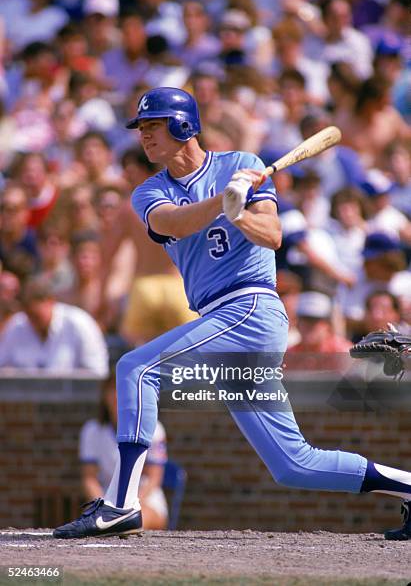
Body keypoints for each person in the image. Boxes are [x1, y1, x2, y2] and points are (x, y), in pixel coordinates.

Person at [53, 87, 411, 541]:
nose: (144, 137)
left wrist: (239, 212)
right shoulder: (150, 190)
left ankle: (121, 504)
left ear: (184, 126)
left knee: (135, 368)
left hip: (249, 307)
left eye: (153, 126)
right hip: (221, 320)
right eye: (141, 128)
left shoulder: (239, 162)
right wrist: (223, 200)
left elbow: (274, 235)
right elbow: (171, 224)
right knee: (293, 464)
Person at [80, 373, 168, 530]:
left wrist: (129, 508)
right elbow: (89, 477)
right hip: (107, 502)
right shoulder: (92, 431)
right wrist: (103, 507)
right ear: (104, 395)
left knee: (136, 521)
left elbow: (154, 478)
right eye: (113, 389)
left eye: (124, 390)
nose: (117, 396)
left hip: (145, 502)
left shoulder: (155, 429)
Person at [0, 276, 108, 376]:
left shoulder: (79, 323)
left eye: (36, 315)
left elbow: (97, 371)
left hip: (73, 395)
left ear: (50, 301)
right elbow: (2, 366)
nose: (32, 321)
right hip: (23, 396)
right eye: (28, 315)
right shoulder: (17, 324)